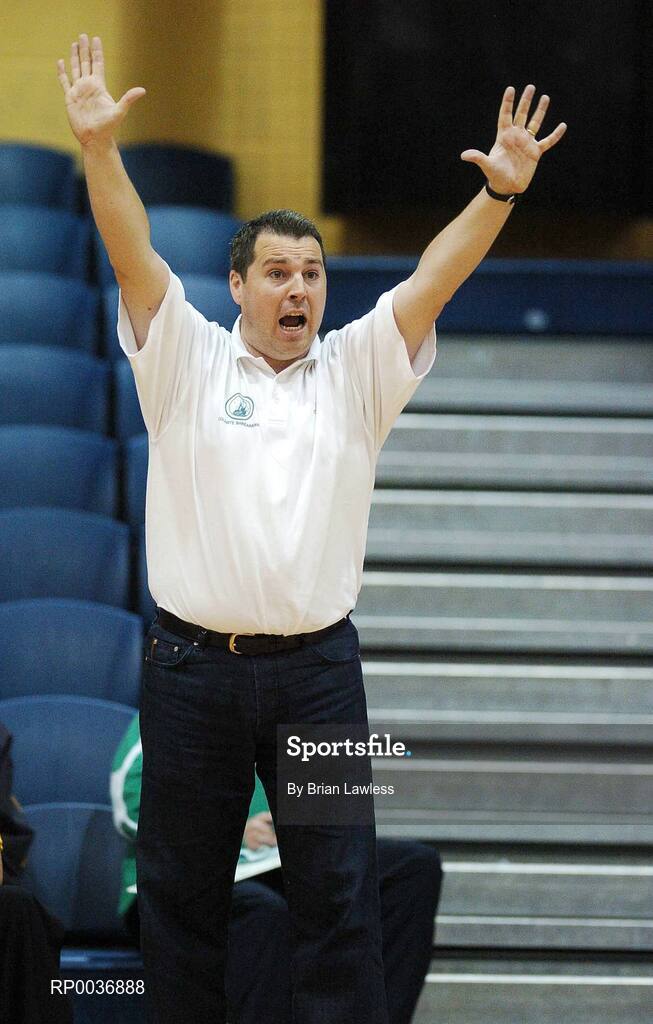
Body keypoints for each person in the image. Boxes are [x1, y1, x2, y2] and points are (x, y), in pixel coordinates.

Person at [57, 32, 566, 1024]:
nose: (299, 289)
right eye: (278, 272)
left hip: (320, 679)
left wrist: (498, 194)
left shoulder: (356, 368)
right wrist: (99, 149)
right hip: (190, 674)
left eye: (313, 273)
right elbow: (130, 251)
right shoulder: (187, 358)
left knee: (340, 898)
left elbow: (433, 277)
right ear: (237, 285)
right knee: (182, 903)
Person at [110, 713, 442, 1024]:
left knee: (413, 867)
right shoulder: (186, 688)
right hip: (189, 874)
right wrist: (228, 830)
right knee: (264, 913)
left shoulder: (299, 695)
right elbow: (128, 799)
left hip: (280, 863)